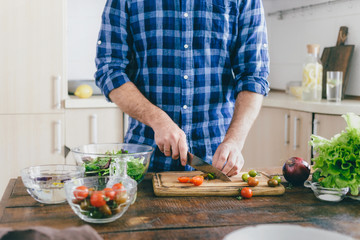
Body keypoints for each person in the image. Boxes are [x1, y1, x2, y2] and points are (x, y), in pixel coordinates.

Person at [95, 0, 270, 176]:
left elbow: (253, 76)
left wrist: (234, 141)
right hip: (144, 160)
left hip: (217, 162)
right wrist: (158, 119)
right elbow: (110, 70)